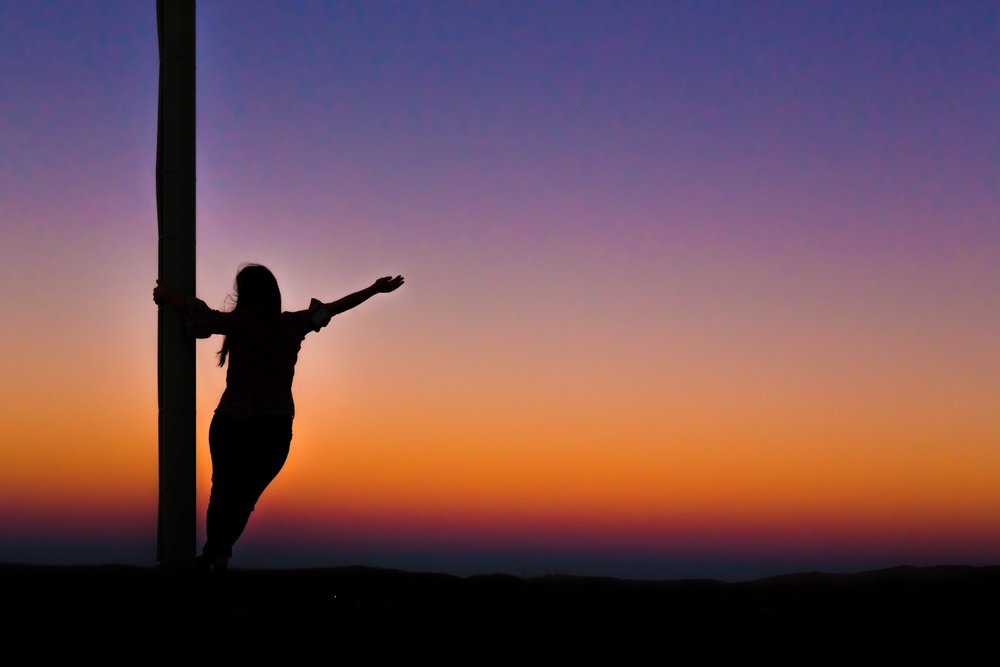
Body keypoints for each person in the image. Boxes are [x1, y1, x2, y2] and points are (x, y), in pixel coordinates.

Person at [153, 264, 404, 571]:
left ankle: (215, 557)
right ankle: (217, 558)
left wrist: (168, 296)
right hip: (269, 427)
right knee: (241, 497)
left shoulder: (246, 323)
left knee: (226, 493)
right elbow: (334, 309)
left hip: (236, 423)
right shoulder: (289, 324)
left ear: (245, 294)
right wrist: (375, 290)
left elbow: (203, 317)